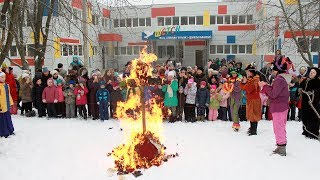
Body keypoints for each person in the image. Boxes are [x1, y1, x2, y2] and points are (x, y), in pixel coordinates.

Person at [259, 57, 290, 156]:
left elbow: (273, 94)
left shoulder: (279, 80)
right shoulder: (280, 79)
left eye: (273, 70)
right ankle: (280, 145)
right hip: (280, 107)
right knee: (279, 126)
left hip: (279, 107)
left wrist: (264, 86)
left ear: (277, 71)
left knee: (278, 127)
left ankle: (281, 147)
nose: (272, 71)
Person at [240, 63, 261, 136]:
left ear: (251, 72)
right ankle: (251, 128)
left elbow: (249, 89)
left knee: (254, 115)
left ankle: (253, 130)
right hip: (250, 99)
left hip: (254, 99)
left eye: (247, 71)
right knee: (250, 114)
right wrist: (243, 83)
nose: (247, 73)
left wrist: (245, 83)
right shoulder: (250, 79)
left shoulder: (255, 80)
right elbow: (243, 87)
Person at [299, 68, 320, 139]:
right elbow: (300, 86)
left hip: (313, 104)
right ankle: (306, 130)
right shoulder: (306, 80)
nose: (311, 73)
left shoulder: (318, 82)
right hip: (305, 103)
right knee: (305, 116)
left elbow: (318, 91)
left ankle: (313, 133)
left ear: (316, 74)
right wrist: (299, 90)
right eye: (311, 72)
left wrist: (313, 92)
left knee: (313, 118)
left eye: (313, 72)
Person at [0, 71, 14, 138]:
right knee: (2, 120)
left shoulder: (6, 85)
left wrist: (11, 103)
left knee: (8, 118)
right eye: (2, 77)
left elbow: (8, 95)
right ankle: (4, 132)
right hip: (1, 106)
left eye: (4, 77)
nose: (3, 78)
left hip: (6, 105)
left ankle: (10, 130)